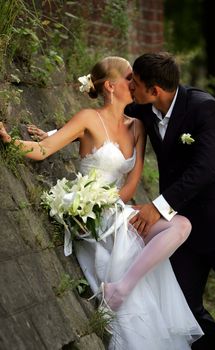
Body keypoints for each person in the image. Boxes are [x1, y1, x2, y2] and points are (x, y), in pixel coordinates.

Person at [0, 56, 203, 349]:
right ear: (110, 85)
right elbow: (44, 150)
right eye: (129, 79)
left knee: (181, 225)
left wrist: (115, 207)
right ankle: (121, 292)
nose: (135, 85)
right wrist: (11, 142)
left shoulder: (137, 126)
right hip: (88, 212)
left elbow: (132, 183)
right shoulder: (87, 118)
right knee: (140, 309)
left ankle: (120, 289)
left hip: (114, 208)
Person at [123, 52, 215, 350]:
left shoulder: (204, 108)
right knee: (184, 309)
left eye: (136, 82)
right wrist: (55, 135)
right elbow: (106, 121)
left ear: (155, 89)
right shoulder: (144, 108)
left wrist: (157, 207)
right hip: (183, 228)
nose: (131, 86)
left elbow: (205, 170)